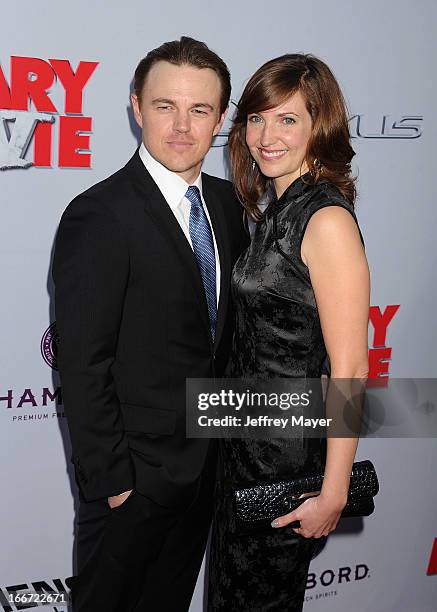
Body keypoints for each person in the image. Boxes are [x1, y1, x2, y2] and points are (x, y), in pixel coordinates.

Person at [52, 36, 248, 612]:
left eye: (200, 110)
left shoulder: (231, 204)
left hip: (206, 477)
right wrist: (114, 483)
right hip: (132, 486)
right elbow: (83, 361)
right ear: (137, 107)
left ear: (221, 120)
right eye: (166, 106)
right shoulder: (99, 214)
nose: (183, 126)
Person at [207, 54, 370, 611]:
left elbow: (348, 370)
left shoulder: (325, 220)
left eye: (288, 120)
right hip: (243, 447)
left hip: (285, 462)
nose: (266, 136)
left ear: (319, 127)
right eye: (257, 118)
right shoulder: (273, 208)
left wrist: (334, 490)